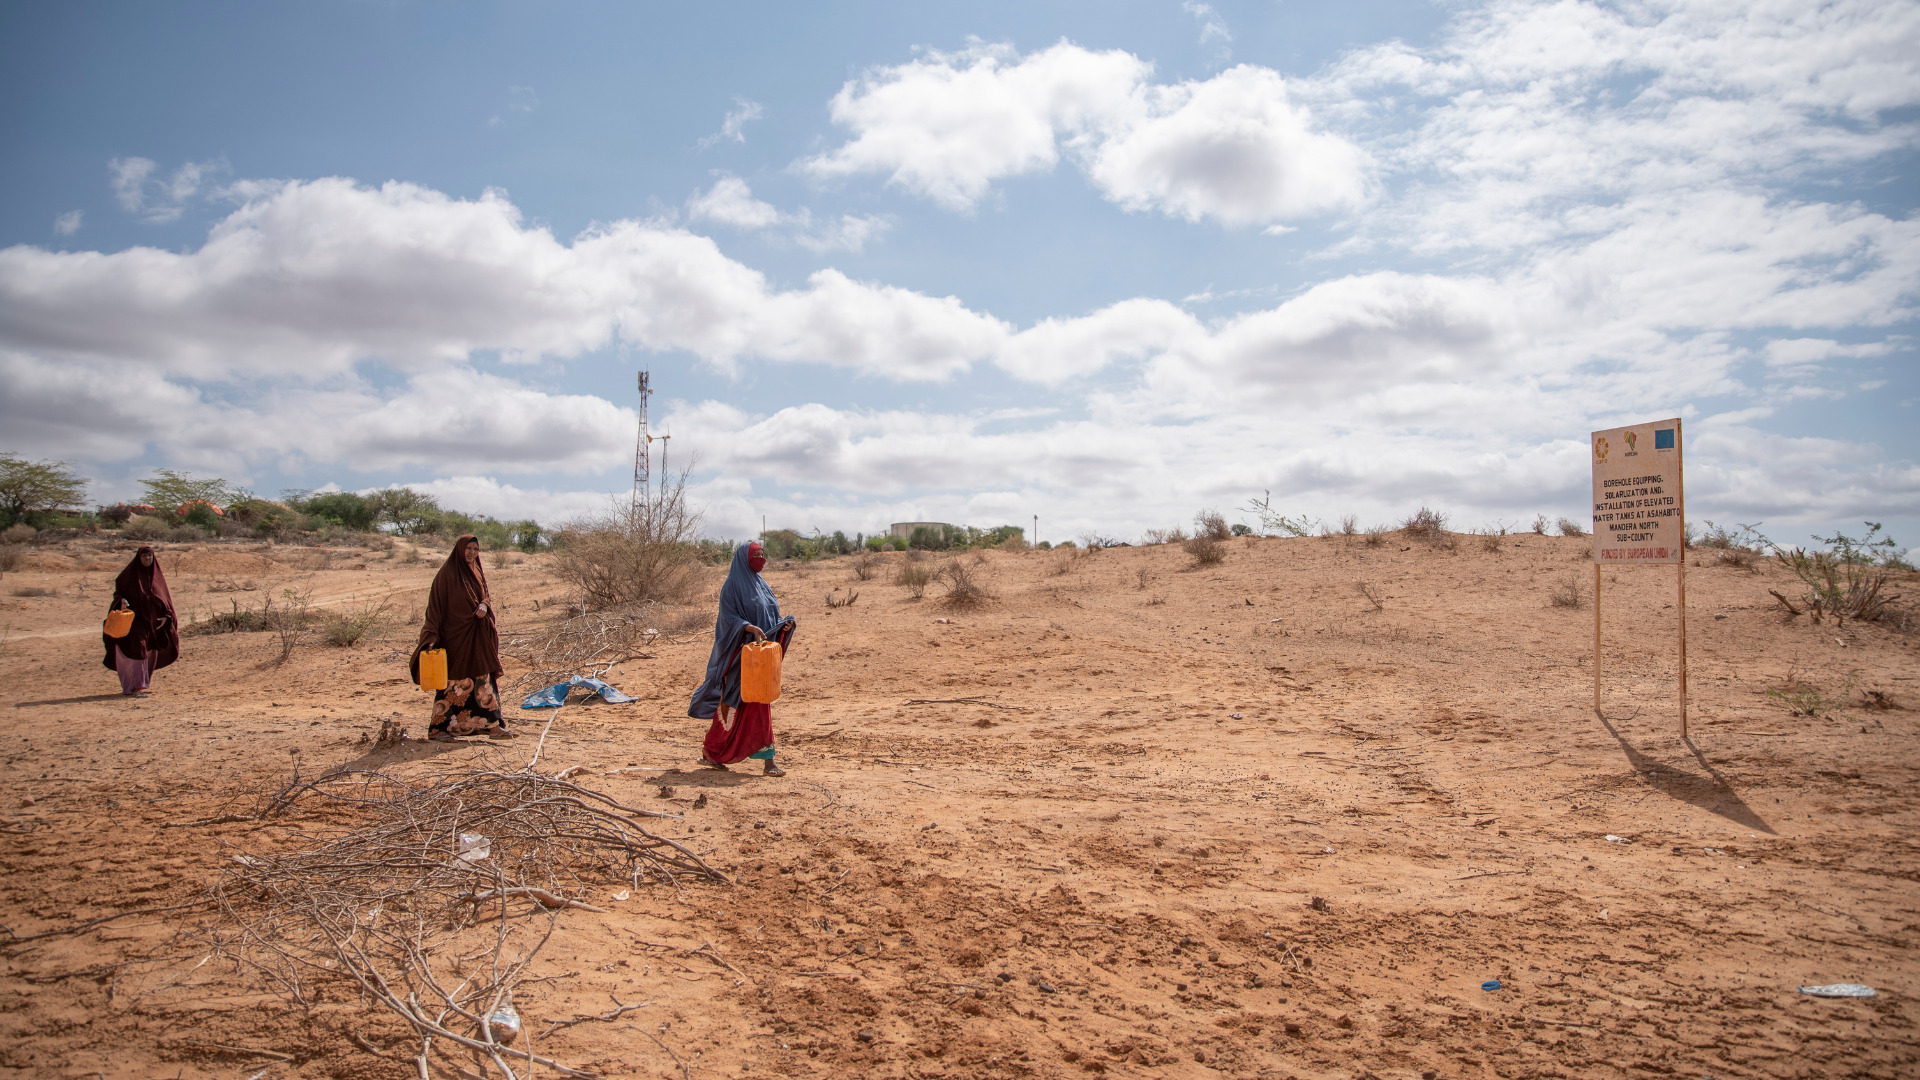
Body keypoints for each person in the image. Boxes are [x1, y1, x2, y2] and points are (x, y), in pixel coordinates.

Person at [689, 541, 796, 775]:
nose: (761, 558)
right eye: (756, 554)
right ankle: (712, 752)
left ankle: (768, 759)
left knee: (761, 703)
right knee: (733, 705)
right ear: (743, 559)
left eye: (763, 554)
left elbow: (770, 615)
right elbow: (728, 619)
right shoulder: (732, 587)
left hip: (760, 658)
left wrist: (783, 625)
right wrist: (748, 628)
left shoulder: (762, 585)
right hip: (739, 658)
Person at [412, 535, 512, 740]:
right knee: (453, 683)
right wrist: (431, 636)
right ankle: (440, 729)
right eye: (469, 549)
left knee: (483, 679)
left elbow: (485, 594)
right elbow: (435, 608)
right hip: (455, 639)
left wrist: (484, 605)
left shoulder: (476, 570)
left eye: (476, 549)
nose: (472, 553)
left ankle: (492, 725)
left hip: (477, 637)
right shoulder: (446, 574)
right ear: (459, 549)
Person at [102, 545, 178, 696]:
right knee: (138, 651)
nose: (147, 559)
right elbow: (119, 593)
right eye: (144, 556)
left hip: (152, 623)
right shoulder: (128, 576)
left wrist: (166, 616)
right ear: (139, 558)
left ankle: (140, 685)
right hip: (134, 624)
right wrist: (122, 601)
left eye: (149, 556)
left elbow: (165, 599)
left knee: (148, 651)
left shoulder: (157, 577)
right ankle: (135, 687)